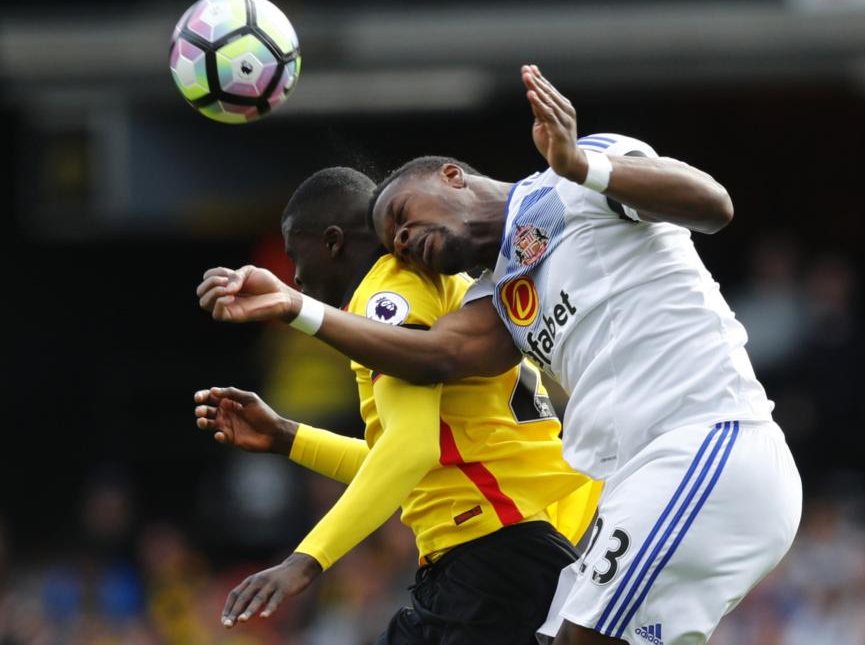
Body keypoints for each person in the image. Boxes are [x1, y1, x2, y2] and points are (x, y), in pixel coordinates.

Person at [197, 66, 803, 645]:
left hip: (707, 441)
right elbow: (434, 357)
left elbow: (713, 205)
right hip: (639, 483)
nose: (405, 241)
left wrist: (581, 164)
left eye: (404, 217)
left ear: (452, 175)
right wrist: (293, 323)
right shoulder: (503, 294)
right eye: (394, 242)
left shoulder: (573, 180)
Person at [195, 166, 600, 645]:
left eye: (292, 254)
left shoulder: (386, 295)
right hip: (508, 556)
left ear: (331, 242)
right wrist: (288, 437)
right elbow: (411, 462)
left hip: (495, 559)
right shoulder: (420, 289)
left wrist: (305, 562)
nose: (295, 275)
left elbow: (411, 449)